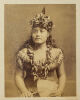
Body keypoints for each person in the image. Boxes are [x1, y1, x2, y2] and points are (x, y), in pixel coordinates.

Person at [15, 8, 66, 97]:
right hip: (29, 93)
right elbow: (18, 76)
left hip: (51, 94)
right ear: (31, 33)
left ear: (48, 34)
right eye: (35, 31)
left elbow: (62, 75)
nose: (38, 34)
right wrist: (24, 91)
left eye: (42, 31)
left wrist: (60, 90)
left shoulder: (56, 53)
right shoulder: (24, 54)